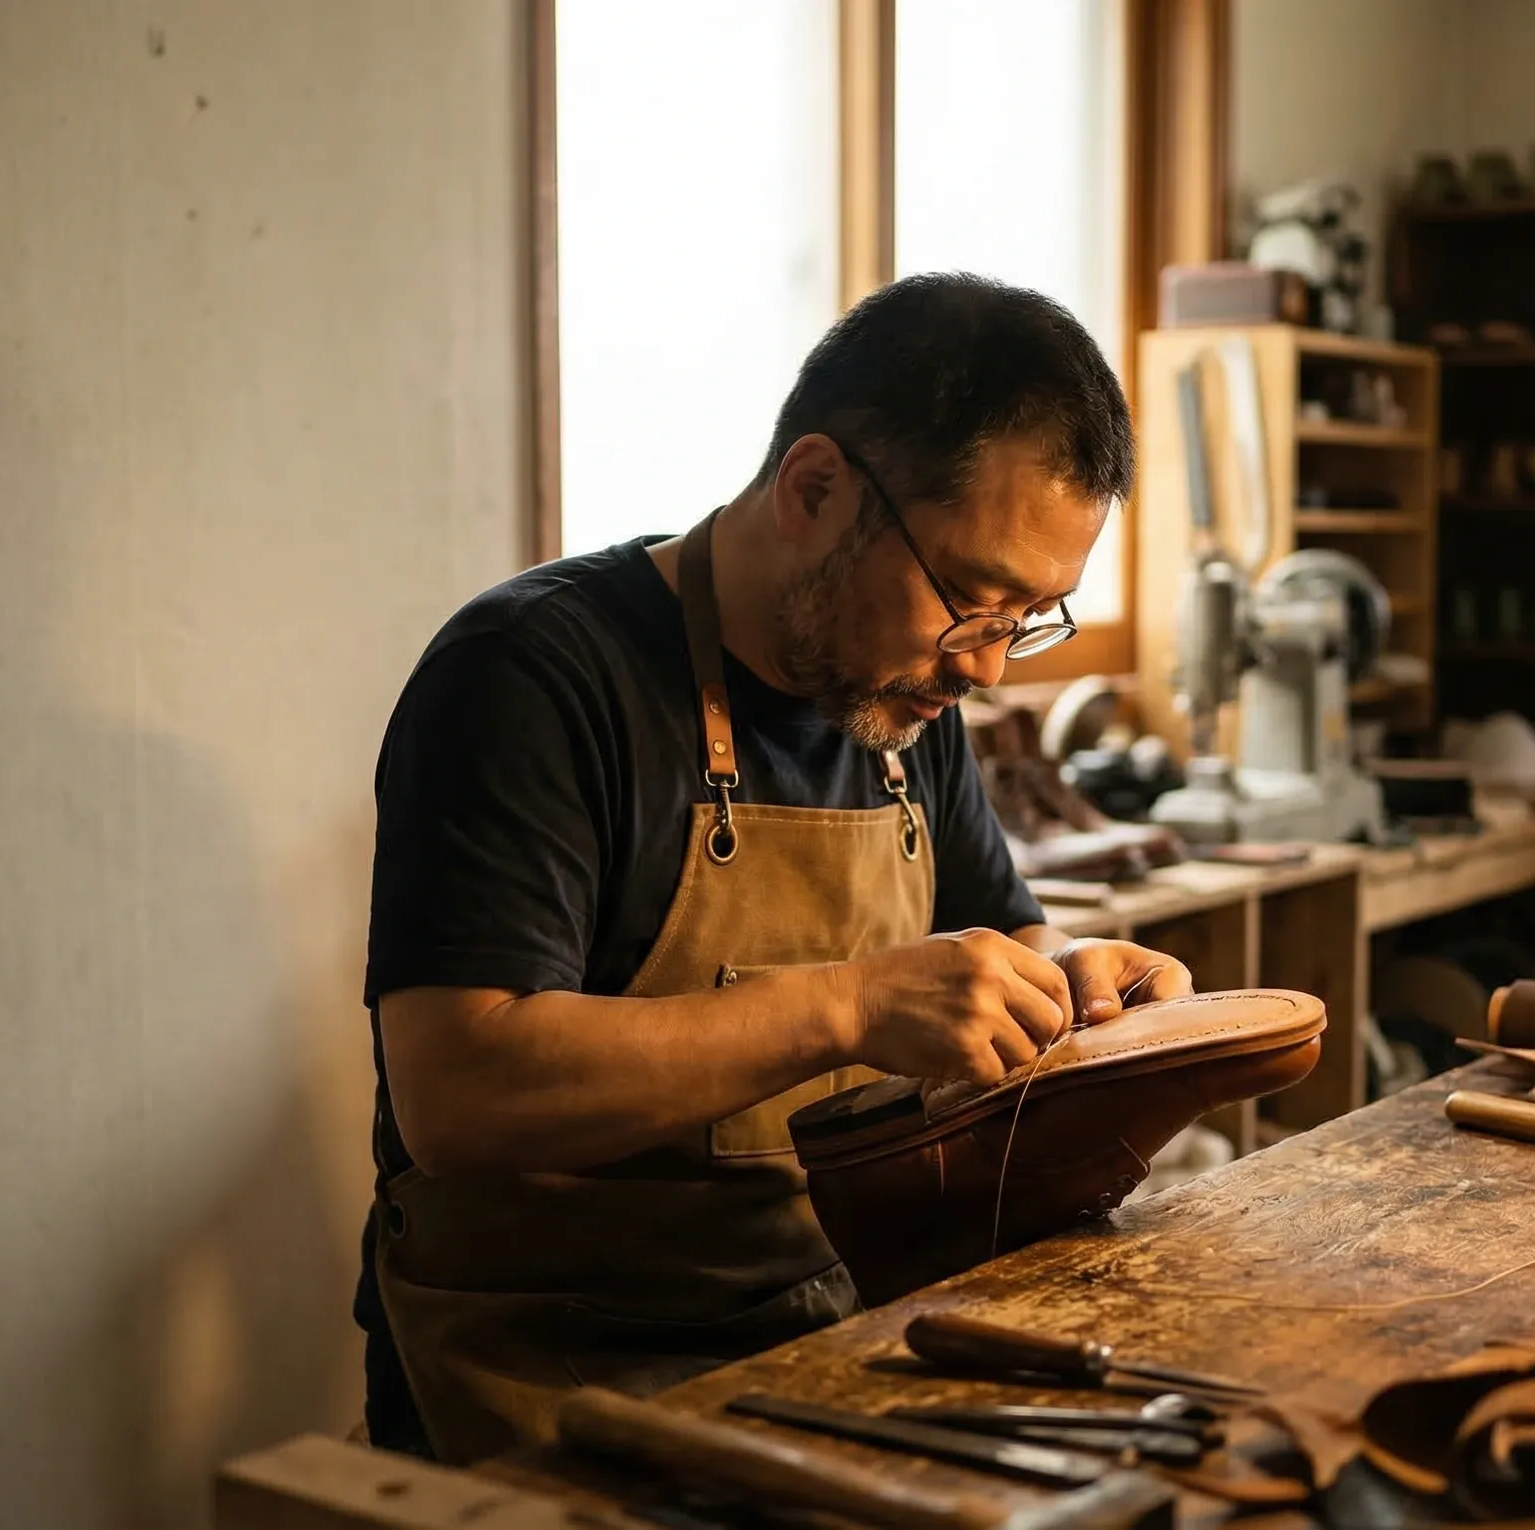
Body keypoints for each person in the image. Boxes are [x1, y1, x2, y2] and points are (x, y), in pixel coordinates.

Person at [355, 272, 1192, 1463]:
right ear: (812, 489)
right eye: (971, 600)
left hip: (833, 1328)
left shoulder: (899, 698)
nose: (987, 668)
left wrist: (1077, 978)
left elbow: (999, 933)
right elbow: (456, 1091)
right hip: (552, 1366)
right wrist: (846, 1007)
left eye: (1028, 617)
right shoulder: (529, 675)